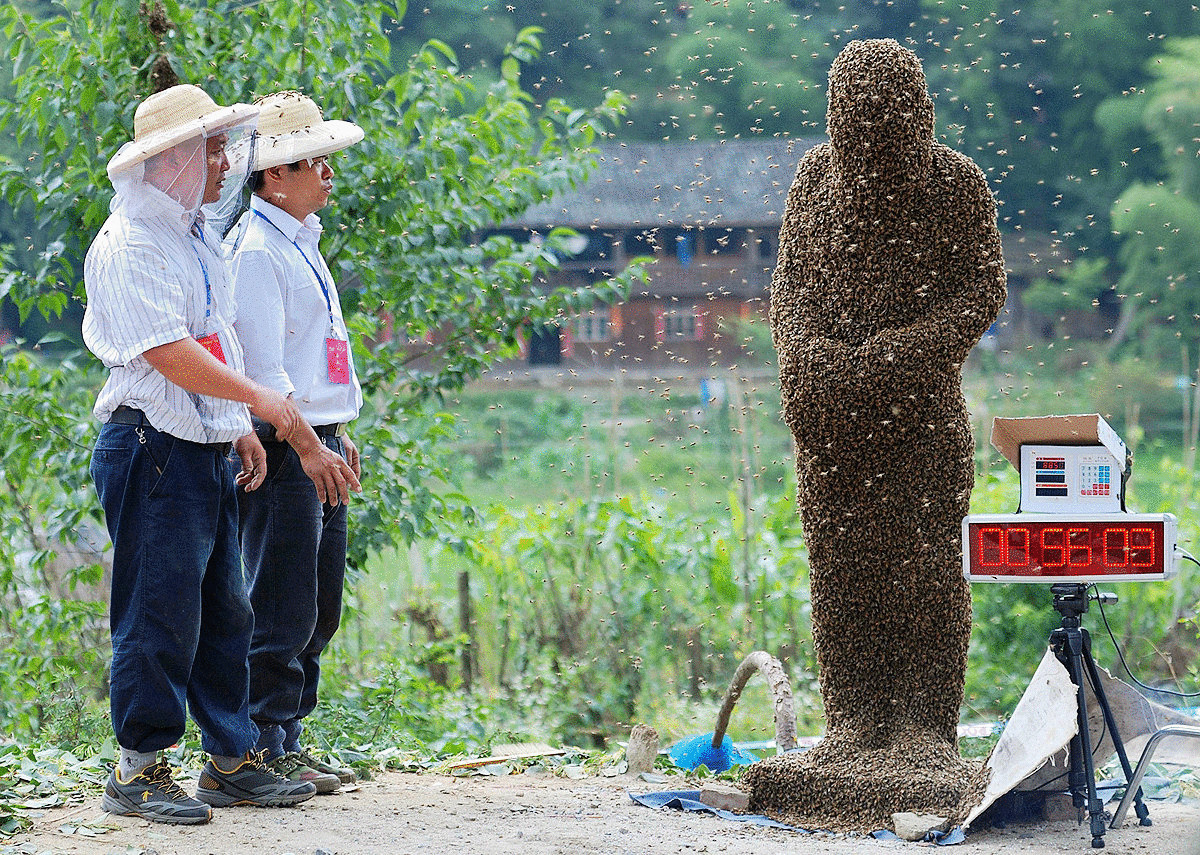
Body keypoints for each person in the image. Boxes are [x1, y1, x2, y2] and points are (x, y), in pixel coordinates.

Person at [83, 84, 360, 825]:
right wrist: (266, 405)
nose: (223, 161)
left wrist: (235, 420)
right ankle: (137, 769)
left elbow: (214, 337)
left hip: (200, 443)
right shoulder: (131, 243)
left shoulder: (193, 236)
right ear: (171, 159)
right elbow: (169, 354)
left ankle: (232, 759)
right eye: (209, 149)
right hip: (151, 446)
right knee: (156, 612)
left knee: (223, 612)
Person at [224, 90, 365, 792]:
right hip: (285, 444)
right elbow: (266, 375)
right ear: (276, 174)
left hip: (319, 437)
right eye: (316, 163)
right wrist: (311, 444)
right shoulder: (256, 252)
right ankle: (255, 743)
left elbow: (321, 357)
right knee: (278, 600)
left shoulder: (299, 243)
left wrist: (338, 432)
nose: (329, 175)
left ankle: (289, 737)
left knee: (317, 602)